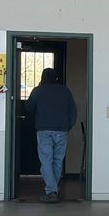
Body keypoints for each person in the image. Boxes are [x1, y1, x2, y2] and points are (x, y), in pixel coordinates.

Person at [27, 66, 78, 203]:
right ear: (56, 78)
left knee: (46, 161)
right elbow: (73, 111)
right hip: (62, 130)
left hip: (44, 130)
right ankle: (53, 190)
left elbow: (28, 107)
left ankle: (51, 191)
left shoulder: (38, 91)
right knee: (57, 161)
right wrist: (68, 125)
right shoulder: (65, 91)